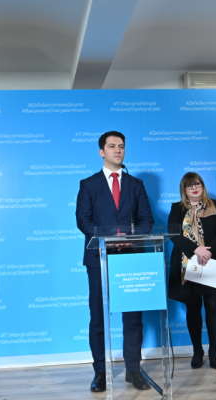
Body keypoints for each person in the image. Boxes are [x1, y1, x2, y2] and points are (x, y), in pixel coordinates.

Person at [76, 131, 154, 392]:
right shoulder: (88, 184)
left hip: (131, 257)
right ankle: (100, 372)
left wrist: (128, 238)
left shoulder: (136, 184)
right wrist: (110, 237)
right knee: (98, 317)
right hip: (98, 258)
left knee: (133, 317)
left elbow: (147, 220)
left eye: (121, 146)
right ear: (102, 152)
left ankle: (133, 370)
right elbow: (83, 221)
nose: (118, 150)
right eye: (112, 146)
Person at [167, 172, 216, 370]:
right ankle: (197, 351)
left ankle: (214, 351)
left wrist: (207, 252)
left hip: (213, 260)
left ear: (203, 186)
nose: (195, 188)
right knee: (193, 306)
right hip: (187, 263)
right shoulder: (177, 208)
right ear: (184, 189)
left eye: (198, 184)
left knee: (213, 306)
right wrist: (195, 250)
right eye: (190, 185)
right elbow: (173, 233)